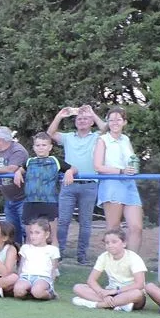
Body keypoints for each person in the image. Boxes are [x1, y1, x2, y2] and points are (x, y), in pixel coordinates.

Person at [48, 104, 102, 265]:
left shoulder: (97, 136)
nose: (82, 121)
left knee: (85, 222)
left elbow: (107, 129)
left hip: (89, 184)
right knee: (63, 221)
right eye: (79, 118)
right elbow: (50, 134)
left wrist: (92, 112)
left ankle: (82, 256)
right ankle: (60, 254)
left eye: (86, 119)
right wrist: (60, 115)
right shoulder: (69, 137)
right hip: (69, 183)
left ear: (91, 122)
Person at [93, 107, 143, 253]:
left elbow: (132, 160)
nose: (115, 122)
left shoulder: (126, 139)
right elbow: (98, 166)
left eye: (118, 119)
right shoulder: (103, 140)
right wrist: (121, 171)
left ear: (124, 122)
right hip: (112, 183)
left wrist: (133, 168)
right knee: (114, 227)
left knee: (136, 227)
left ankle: (132, 264)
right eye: (111, 119)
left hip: (129, 184)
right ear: (107, 122)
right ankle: (113, 264)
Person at [72, 229, 147, 310]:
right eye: (107, 243)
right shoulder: (104, 257)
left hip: (127, 292)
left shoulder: (133, 257)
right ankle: (120, 305)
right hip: (109, 292)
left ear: (124, 243)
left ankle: (97, 305)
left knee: (137, 294)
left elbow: (140, 284)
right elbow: (91, 280)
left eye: (114, 242)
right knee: (78, 287)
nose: (110, 245)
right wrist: (103, 293)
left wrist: (116, 291)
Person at [13, 132, 62, 227]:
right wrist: (18, 173)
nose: (41, 147)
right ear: (34, 147)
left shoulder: (55, 160)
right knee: (30, 233)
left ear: (50, 147)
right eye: (38, 145)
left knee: (51, 233)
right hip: (30, 201)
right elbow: (21, 169)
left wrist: (69, 172)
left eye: (44, 145)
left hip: (49, 201)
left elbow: (72, 168)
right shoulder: (29, 161)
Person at [13, 218, 60, 300]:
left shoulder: (52, 250)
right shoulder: (25, 248)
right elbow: (21, 267)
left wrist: (51, 284)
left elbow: (53, 269)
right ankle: (30, 292)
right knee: (18, 291)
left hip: (43, 278)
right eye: (31, 233)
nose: (33, 236)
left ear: (46, 234)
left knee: (38, 291)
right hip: (26, 276)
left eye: (37, 233)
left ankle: (49, 294)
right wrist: (19, 279)